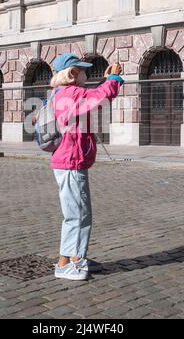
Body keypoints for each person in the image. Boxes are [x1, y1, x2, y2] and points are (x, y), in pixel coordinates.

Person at [50, 53, 124, 281]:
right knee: (78, 215)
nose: (86, 73)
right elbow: (100, 97)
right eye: (82, 70)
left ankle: (73, 258)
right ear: (72, 73)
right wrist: (113, 78)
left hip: (69, 160)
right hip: (70, 162)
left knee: (78, 213)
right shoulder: (71, 93)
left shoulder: (62, 93)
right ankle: (71, 262)